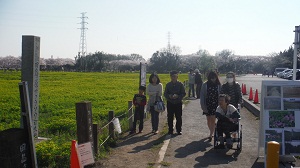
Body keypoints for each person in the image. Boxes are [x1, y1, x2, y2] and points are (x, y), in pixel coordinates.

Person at [200, 71, 221, 141]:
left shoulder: (218, 85)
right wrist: (203, 106)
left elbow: (221, 95)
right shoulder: (205, 84)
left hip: (215, 104)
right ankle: (213, 130)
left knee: (213, 119)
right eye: (212, 78)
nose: (213, 79)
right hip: (207, 104)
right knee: (208, 120)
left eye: (214, 78)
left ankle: (211, 134)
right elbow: (202, 95)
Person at [164, 70, 186, 135]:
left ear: (177, 77)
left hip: (178, 102)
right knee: (170, 116)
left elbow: (184, 93)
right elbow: (165, 94)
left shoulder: (180, 84)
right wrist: (169, 96)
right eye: (172, 76)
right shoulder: (168, 85)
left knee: (178, 116)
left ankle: (179, 130)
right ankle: (170, 130)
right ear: (170, 77)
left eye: (175, 76)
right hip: (170, 103)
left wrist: (178, 96)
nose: (173, 77)